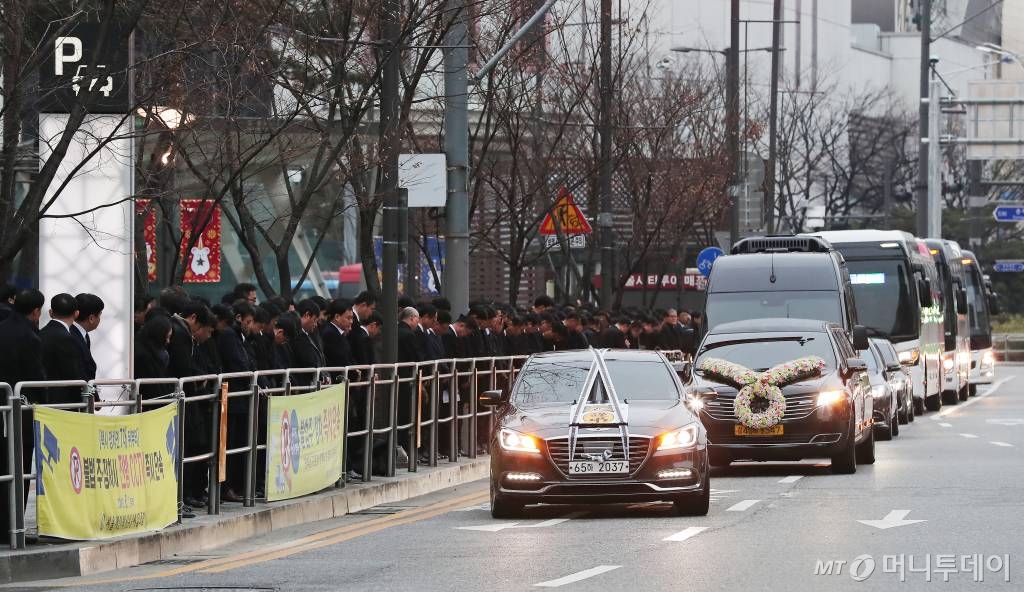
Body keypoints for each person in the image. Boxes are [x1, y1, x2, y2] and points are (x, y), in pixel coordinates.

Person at [0, 289, 46, 536]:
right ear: (36, 311)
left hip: (2, 408)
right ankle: (14, 525)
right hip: (21, 412)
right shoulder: (30, 337)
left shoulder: (2, 328)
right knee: (20, 468)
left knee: (4, 467)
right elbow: (36, 378)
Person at [40, 293, 87, 405]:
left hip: (43, 398)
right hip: (64, 402)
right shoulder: (67, 338)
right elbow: (73, 373)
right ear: (76, 314)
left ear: (51, 312)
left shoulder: (40, 333)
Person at [135, 315, 174, 399]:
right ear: (159, 335)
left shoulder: (144, 347)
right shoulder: (145, 356)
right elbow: (155, 389)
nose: (168, 341)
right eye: (167, 337)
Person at [73, 293, 103, 380]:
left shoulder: (84, 335)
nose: (100, 319)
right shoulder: (71, 337)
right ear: (91, 318)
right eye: (100, 315)